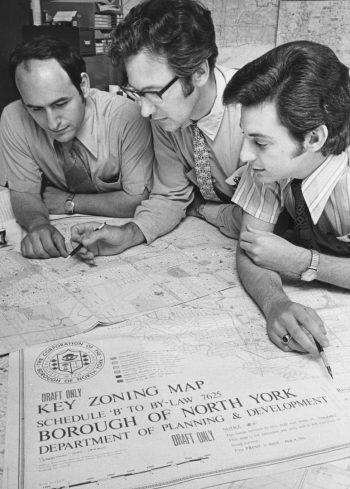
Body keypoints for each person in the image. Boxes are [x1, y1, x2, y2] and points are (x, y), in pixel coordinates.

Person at [70, 0, 244, 263]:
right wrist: (128, 233)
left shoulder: (254, 111)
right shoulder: (165, 115)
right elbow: (171, 195)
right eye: (138, 93)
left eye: (154, 93)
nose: (144, 111)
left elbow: (261, 221)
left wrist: (204, 210)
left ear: (199, 71)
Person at [222, 40, 350, 355]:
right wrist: (276, 303)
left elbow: (279, 256)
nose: (244, 154)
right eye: (246, 137)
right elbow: (253, 248)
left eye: (261, 143)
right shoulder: (266, 166)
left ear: (314, 137)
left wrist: (304, 262)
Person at [0, 36, 154, 259]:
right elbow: (24, 192)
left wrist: (69, 202)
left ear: (83, 85)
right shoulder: (14, 118)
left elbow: (138, 199)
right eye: (35, 109)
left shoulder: (127, 117)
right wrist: (37, 225)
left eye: (60, 104)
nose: (52, 122)